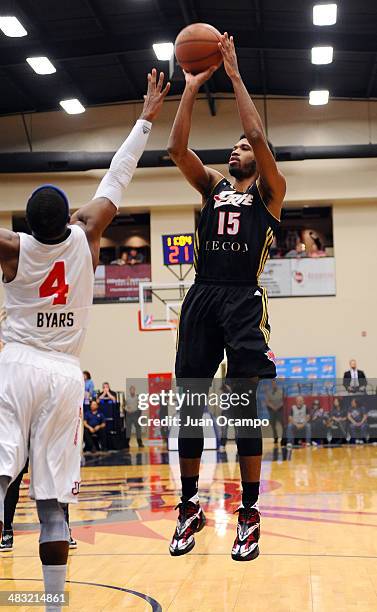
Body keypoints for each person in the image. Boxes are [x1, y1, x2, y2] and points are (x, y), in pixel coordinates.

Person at [0, 69, 169, 611]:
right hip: (66, 375)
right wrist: (145, 117)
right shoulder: (88, 234)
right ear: (67, 217)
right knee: (52, 505)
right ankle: (52, 604)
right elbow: (116, 179)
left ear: (25, 225)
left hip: (17, 364)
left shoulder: (13, 249)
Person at [167, 33, 286, 561]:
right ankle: (189, 505)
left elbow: (258, 131)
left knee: (242, 412)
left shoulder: (270, 194)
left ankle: (250, 513)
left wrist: (234, 74)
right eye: (234, 145)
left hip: (242, 302)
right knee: (190, 405)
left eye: (242, 146)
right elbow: (175, 150)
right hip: (202, 296)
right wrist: (191, 86)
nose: (236, 147)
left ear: (258, 159)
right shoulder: (213, 187)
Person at [0, 461, 77, 551]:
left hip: (45, 446)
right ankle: (7, 530)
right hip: (18, 446)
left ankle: (63, 529)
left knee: (55, 478)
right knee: (12, 481)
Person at [124, 385, 144, 449]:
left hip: (135, 414)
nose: (132, 391)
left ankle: (139, 442)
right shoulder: (127, 398)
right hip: (129, 415)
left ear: (134, 390)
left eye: (133, 390)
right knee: (128, 430)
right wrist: (127, 409)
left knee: (138, 429)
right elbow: (124, 406)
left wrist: (139, 415)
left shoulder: (137, 397)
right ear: (130, 391)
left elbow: (140, 406)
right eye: (131, 390)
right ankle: (127, 443)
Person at [265, 379, 284, 444]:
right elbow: (267, 402)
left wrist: (278, 407)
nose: (274, 384)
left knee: (282, 424)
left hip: (280, 410)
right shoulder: (269, 392)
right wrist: (273, 407)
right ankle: (275, 438)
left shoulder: (281, 391)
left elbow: (283, 401)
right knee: (273, 424)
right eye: (272, 383)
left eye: (275, 383)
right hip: (272, 410)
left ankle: (283, 438)